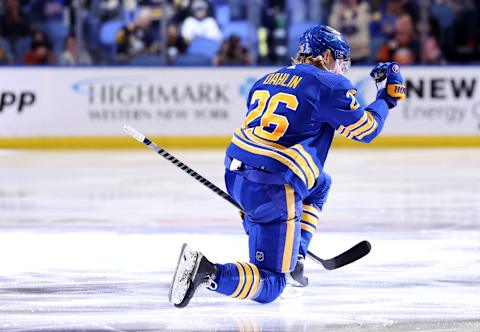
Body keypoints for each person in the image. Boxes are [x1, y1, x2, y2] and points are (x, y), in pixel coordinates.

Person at [169, 24, 406, 307]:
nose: (342, 68)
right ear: (327, 56)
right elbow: (365, 129)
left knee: (321, 183)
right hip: (275, 185)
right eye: (341, 60)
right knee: (271, 284)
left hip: (236, 173)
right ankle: (207, 272)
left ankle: (297, 255)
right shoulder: (331, 85)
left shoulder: (267, 79)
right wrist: (387, 99)